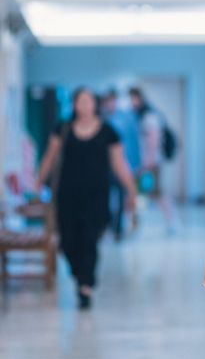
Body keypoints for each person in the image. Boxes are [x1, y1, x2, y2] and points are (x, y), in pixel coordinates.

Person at [36, 87, 138, 309]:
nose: (84, 105)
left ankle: (85, 286)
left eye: (88, 101)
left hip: (97, 197)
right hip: (67, 196)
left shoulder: (108, 131)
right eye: (80, 101)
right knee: (68, 242)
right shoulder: (62, 129)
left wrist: (131, 189)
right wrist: (38, 183)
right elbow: (49, 158)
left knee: (90, 239)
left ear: (95, 104)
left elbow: (119, 163)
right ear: (74, 104)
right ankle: (79, 274)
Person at [101, 89, 141, 240]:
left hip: (123, 165)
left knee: (122, 197)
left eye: (112, 100)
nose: (110, 104)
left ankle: (118, 229)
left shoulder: (127, 119)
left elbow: (133, 144)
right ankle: (107, 225)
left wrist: (134, 165)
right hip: (105, 166)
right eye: (107, 101)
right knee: (105, 197)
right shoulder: (102, 119)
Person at [128, 87, 163, 199]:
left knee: (156, 194)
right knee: (139, 193)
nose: (131, 102)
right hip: (142, 162)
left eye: (133, 99)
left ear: (140, 99)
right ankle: (135, 216)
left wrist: (149, 160)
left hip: (149, 162)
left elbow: (154, 139)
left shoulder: (149, 116)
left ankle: (173, 217)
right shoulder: (138, 116)